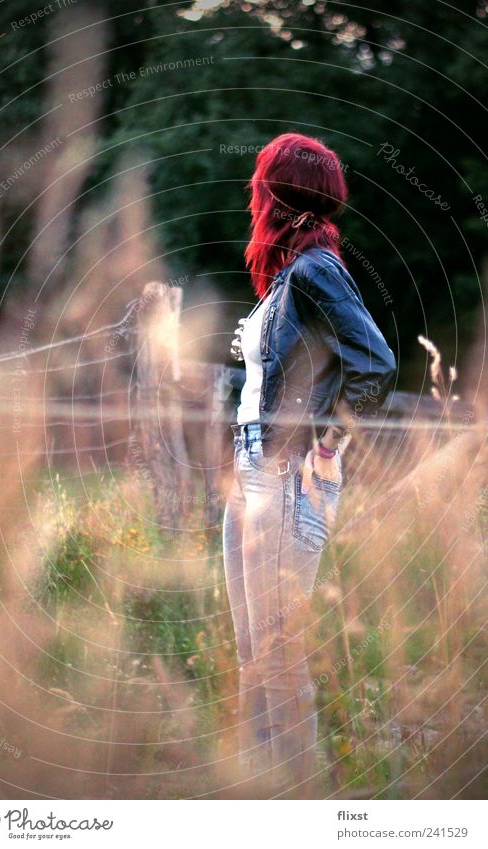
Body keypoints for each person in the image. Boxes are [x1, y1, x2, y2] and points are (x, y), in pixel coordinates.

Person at [222, 132, 396, 794]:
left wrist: (325, 449)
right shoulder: (292, 277)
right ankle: (251, 796)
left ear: (276, 191)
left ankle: (298, 803)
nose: (251, 193)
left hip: (288, 479)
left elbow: (374, 361)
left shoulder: (316, 268)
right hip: (252, 473)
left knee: (276, 652)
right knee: (252, 654)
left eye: (259, 181)